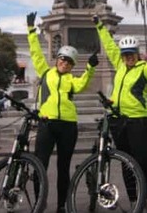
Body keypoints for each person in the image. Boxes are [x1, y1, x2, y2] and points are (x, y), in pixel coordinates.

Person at [94, 15, 147, 210]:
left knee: (140, 160)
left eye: (131, 54)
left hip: (137, 120)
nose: (128, 57)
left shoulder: (144, 68)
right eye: (125, 54)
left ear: (137, 54)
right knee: (125, 162)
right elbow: (109, 45)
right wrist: (99, 25)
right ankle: (134, 199)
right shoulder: (120, 65)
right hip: (117, 119)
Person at [27, 12, 96, 213]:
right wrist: (31, 30)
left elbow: (83, 82)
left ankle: (61, 205)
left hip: (68, 125)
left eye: (68, 62)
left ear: (72, 65)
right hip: (47, 123)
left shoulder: (72, 81)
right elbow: (36, 53)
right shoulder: (45, 72)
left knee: (63, 168)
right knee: (40, 165)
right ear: (57, 60)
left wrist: (90, 68)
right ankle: (39, 203)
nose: (63, 63)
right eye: (61, 60)